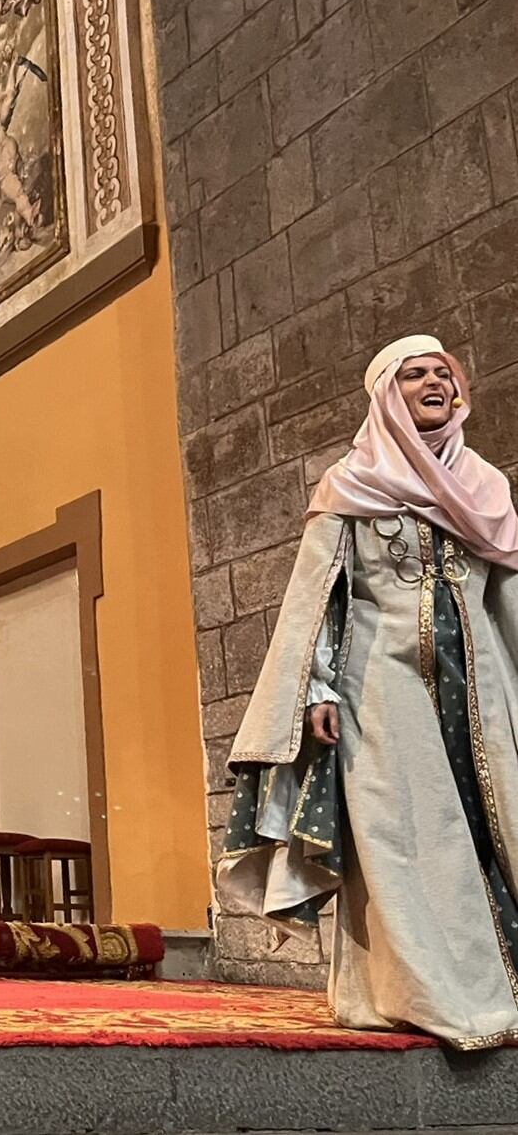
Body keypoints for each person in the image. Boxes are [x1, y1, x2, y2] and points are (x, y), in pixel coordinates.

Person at [218, 334, 518, 1049]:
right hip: (382, 689)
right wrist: (316, 687)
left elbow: (506, 593)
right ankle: (424, 990)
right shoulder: (349, 485)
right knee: (406, 838)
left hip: (482, 689)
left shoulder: (483, 485)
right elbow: (318, 598)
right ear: (386, 395)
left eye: (441, 373)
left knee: (497, 822)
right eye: (413, 376)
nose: (432, 384)